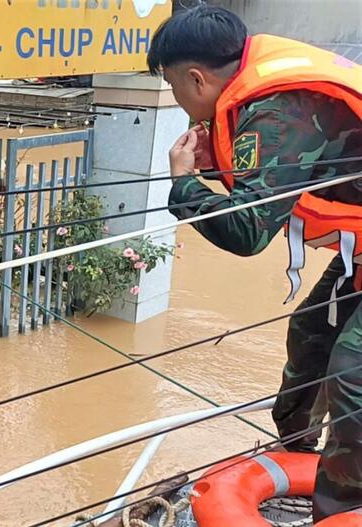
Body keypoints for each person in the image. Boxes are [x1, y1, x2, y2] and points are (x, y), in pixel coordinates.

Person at [148, 5, 362, 520]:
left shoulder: (277, 112)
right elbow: (273, 180)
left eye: (175, 89)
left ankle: (342, 510)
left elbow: (247, 233)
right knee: (311, 335)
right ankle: (298, 457)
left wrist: (182, 185)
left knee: (352, 373)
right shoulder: (258, 94)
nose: (179, 103)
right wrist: (218, 168)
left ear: (197, 78)